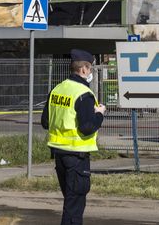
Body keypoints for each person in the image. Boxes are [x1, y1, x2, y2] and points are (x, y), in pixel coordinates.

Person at [40, 49, 106, 225]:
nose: (90, 72)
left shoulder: (57, 89)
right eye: (90, 69)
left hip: (59, 154)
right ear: (84, 69)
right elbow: (87, 128)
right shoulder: (83, 94)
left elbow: (45, 122)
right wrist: (99, 114)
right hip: (77, 157)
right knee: (74, 206)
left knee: (70, 200)